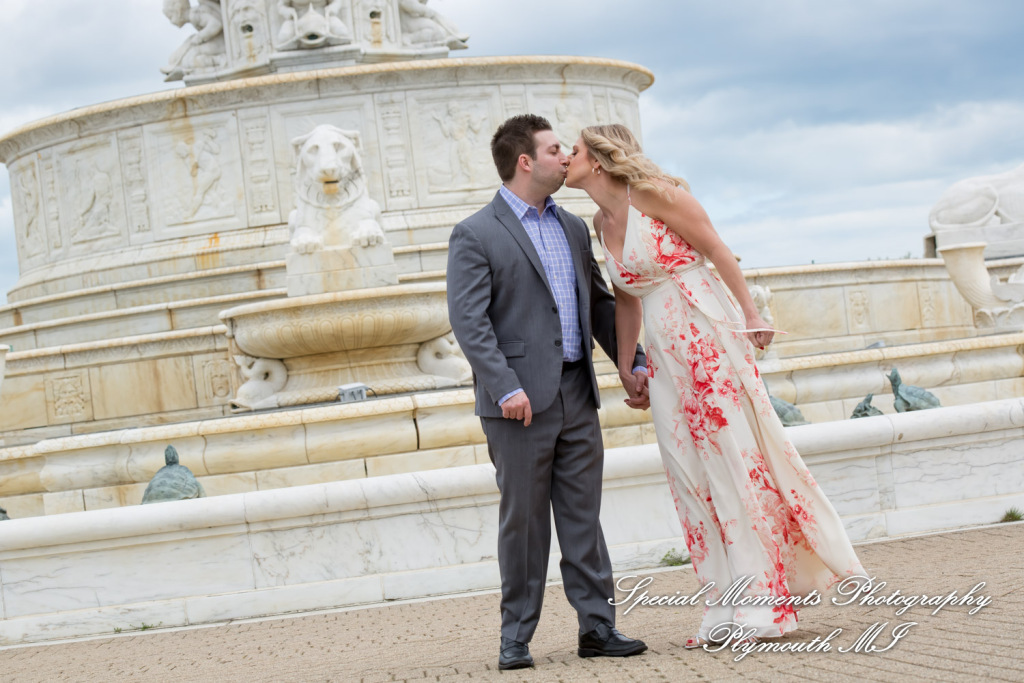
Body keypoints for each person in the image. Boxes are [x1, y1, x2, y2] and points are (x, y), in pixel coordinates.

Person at [565, 124, 866, 648]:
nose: (565, 158)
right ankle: (723, 605)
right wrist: (625, 364)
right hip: (661, 356)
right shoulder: (600, 218)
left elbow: (719, 252)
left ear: (597, 160)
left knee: (734, 461)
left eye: (574, 150)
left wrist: (752, 315)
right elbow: (628, 297)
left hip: (703, 335)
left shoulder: (656, 194)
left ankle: (765, 604)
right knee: (690, 474)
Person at [446, 115, 650, 670]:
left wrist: (632, 363)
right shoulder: (475, 234)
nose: (566, 156)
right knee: (525, 523)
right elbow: (469, 323)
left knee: (584, 515)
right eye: (555, 148)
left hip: (577, 393)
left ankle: (598, 627)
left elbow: (602, 306)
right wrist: (504, 385)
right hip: (516, 406)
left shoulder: (573, 228)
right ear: (525, 162)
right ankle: (516, 637)